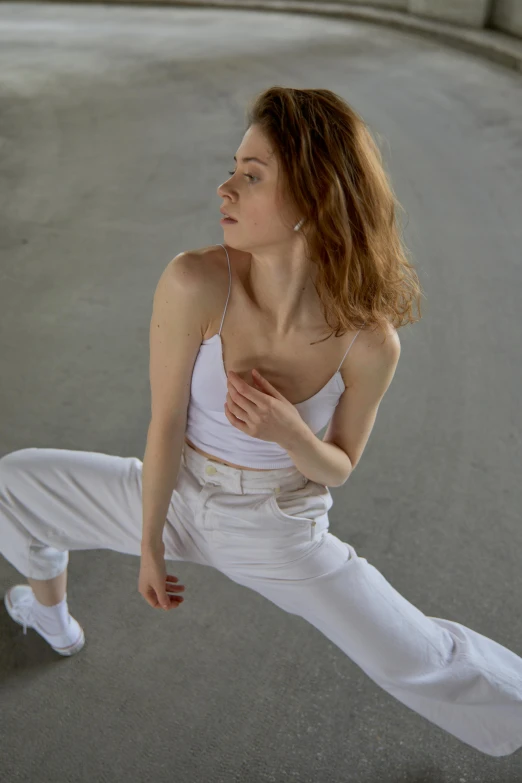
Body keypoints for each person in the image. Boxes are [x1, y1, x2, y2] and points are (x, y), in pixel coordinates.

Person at [1, 87, 521, 758]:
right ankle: (50, 613)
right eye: (232, 168)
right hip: (178, 492)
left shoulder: (369, 340)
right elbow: (164, 424)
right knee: (14, 483)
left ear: (315, 197)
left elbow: (339, 466)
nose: (225, 188)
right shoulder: (194, 281)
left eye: (252, 176)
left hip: (279, 528)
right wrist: (151, 541)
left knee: (421, 653)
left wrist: (291, 434)